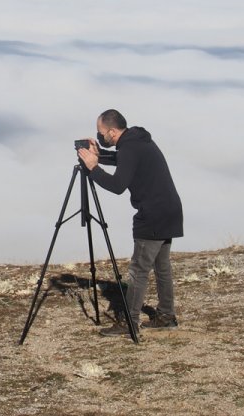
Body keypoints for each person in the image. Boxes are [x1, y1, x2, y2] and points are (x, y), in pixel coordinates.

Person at [76, 108, 183, 336]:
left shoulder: (130, 147)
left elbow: (117, 186)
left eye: (101, 132)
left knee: (138, 270)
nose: (100, 135)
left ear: (112, 132)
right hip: (169, 210)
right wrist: (99, 155)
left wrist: (93, 168)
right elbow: (124, 161)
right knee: (161, 267)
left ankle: (129, 322)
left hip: (152, 214)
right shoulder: (136, 141)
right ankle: (166, 315)